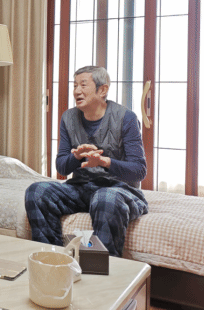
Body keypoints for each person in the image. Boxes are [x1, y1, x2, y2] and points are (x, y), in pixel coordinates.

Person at [24, 65, 148, 257]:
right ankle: (52, 260)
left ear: (102, 90)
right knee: (37, 191)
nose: (76, 91)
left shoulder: (126, 118)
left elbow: (139, 170)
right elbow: (61, 167)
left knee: (105, 198)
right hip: (81, 188)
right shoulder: (68, 117)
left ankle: (103, 268)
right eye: (75, 86)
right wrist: (76, 157)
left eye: (83, 85)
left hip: (119, 190)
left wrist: (105, 162)